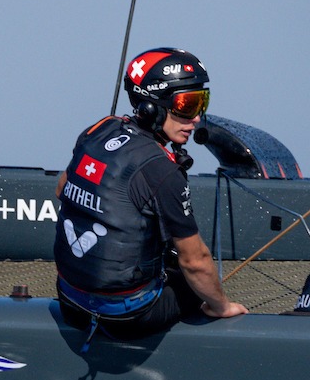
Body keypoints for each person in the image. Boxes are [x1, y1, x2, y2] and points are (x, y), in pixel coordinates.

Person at [53, 48, 249, 339]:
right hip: (126, 316)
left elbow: (61, 189)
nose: (196, 118)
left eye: (201, 102)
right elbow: (195, 262)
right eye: (187, 104)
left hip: (69, 299)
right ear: (151, 108)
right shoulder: (162, 171)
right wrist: (222, 307)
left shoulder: (99, 130)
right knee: (195, 284)